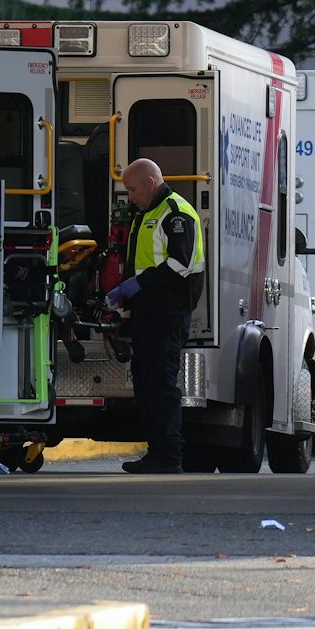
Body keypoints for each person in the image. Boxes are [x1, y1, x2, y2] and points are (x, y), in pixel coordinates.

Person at [103, 158, 205, 474]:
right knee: (146, 384)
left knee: (161, 385)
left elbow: (180, 263)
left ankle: (170, 457)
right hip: (148, 313)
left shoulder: (175, 213)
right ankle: (156, 453)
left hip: (169, 313)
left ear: (149, 183)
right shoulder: (146, 214)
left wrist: (136, 284)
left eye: (132, 189)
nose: (130, 196)